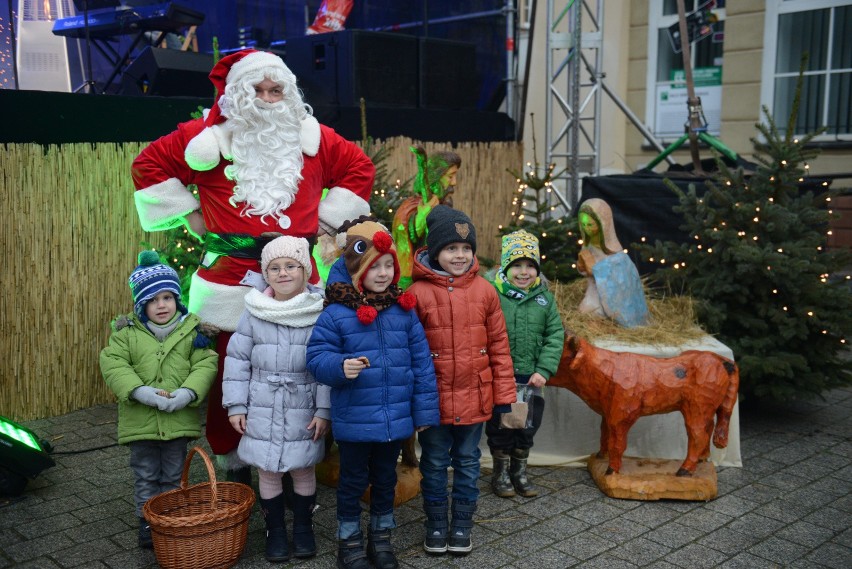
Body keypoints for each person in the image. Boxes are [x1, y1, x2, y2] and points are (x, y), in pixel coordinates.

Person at [131, 48, 375, 480]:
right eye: (256, 89)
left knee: (304, 367)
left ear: (289, 93)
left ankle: (300, 459)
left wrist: (325, 221)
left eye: (275, 89)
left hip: (297, 279)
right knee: (232, 370)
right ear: (238, 94)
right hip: (229, 282)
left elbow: (359, 167)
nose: (266, 98)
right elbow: (148, 164)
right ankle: (234, 461)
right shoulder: (205, 138)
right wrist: (189, 213)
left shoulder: (314, 139)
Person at [306, 216, 439, 569]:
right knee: (351, 483)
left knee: (385, 480)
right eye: (373, 266)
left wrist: (423, 412)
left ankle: (381, 540)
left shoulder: (403, 311)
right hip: (354, 419)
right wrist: (340, 367)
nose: (382, 273)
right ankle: (348, 543)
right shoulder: (336, 314)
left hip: (394, 420)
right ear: (356, 270)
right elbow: (317, 357)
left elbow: (422, 363)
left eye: (387, 266)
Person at [406, 205, 515, 556]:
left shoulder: (485, 291)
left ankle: (462, 524)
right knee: (434, 461)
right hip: (433, 399)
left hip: (475, 396)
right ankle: (436, 522)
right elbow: (408, 350)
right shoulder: (418, 293)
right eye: (452, 248)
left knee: (468, 461)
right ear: (436, 251)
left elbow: (499, 346)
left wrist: (504, 395)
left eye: (466, 249)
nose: (460, 255)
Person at [221, 236, 329, 562]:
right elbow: (237, 360)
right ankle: (276, 531)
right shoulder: (254, 311)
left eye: (291, 266)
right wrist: (237, 404)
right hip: (262, 401)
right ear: (265, 274)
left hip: (304, 401)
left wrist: (324, 409)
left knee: (303, 467)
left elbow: (326, 364)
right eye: (275, 268)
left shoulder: (319, 311)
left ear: (305, 270)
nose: (283, 273)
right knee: (267, 469)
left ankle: (303, 528)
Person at [99, 251, 217, 549]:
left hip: (177, 420)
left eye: (167, 297)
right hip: (141, 422)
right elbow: (113, 363)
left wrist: (188, 392)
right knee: (146, 474)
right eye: (152, 300)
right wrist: (139, 390)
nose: (161, 305)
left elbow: (205, 364)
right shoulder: (126, 334)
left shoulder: (194, 333)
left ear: (177, 299)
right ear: (141, 305)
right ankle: (147, 521)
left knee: (174, 474)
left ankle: (170, 518)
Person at [485, 230, 565, 498]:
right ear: (505, 268)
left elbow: (554, 335)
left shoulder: (544, 299)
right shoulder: (493, 295)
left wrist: (544, 370)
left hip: (532, 380)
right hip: (501, 378)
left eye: (530, 266)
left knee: (527, 427)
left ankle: (520, 471)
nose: (523, 272)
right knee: (501, 427)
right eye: (516, 265)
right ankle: (501, 473)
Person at [392, 146, 461, 289]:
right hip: (418, 279)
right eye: (450, 176)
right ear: (437, 176)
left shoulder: (445, 204)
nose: (454, 182)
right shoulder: (412, 206)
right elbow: (408, 233)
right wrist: (423, 215)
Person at [577, 198, 649, 327]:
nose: (586, 228)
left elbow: (619, 279)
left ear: (602, 223)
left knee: (595, 316)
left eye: (590, 225)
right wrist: (582, 267)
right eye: (583, 224)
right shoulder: (588, 245)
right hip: (594, 291)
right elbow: (585, 271)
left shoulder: (616, 253)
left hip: (610, 297)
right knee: (584, 313)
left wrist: (595, 269)